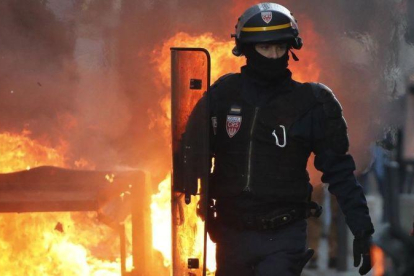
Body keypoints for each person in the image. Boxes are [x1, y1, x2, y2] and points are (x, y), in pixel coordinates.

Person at [185, 3, 375, 276]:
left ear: (291, 48)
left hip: (284, 236)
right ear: (247, 50)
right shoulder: (222, 96)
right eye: (265, 48)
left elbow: (340, 171)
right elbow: (191, 153)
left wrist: (362, 229)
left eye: (280, 48)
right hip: (230, 235)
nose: (273, 56)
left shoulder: (312, 103)